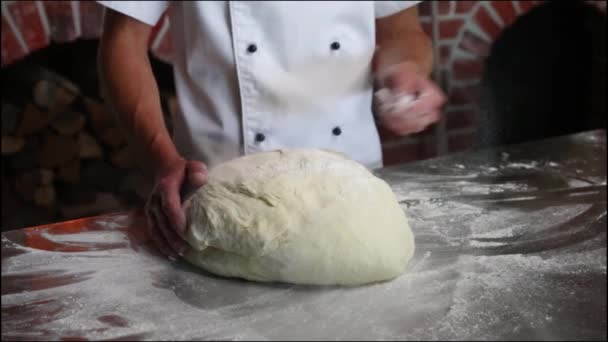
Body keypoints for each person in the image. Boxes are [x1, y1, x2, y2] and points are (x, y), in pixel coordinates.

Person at [97, 1, 446, 258]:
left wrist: (405, 69)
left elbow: (403, 31)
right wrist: (160, 157)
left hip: (351, 182)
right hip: (221, 189)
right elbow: (123, 42)